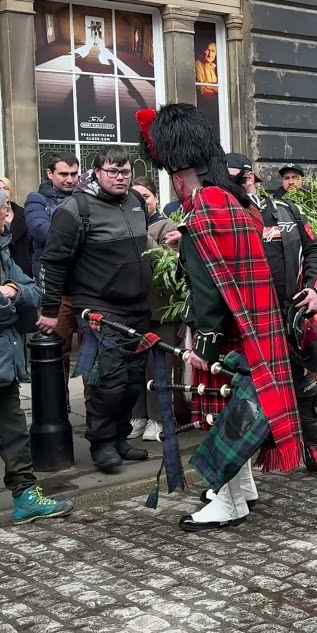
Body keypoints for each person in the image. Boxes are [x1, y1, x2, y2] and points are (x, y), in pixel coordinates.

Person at [139, 103, 303, 531]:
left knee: (224, 416)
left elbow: (209, 287)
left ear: (177, 173)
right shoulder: (226, 200)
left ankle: (228, 503)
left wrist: (203, 346)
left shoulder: (204, 205)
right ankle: (242, 489)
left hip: (226, 332)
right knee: (237, 414)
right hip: (249, 325)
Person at [37, 146, 153, 472]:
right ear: (97, 172)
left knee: (132, 382)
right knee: (107, 381)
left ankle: (119, 439)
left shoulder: (136, 203)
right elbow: (54, 261)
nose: (120, 177)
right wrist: (48, 308)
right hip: (98, 308)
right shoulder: (75, 208)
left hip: (137, 307)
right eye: (112, 171)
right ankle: (102, 444)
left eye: (125, 171)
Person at [227, 153, 317, 475]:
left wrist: (312, 288)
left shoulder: (286, 210)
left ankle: (315, 452)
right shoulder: (225, 217)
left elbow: (315, 250)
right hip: (245, 322)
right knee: (246, 394)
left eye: (241, 176)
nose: (240, 182)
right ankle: (241, 471)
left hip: (290, 317)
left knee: (305, 390)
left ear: (252, 177)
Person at [0, 187, 73, 522]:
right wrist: (11, 303)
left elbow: (32, 288)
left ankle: (25, 496)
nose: (9, 219)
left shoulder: (1, 250)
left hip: (4, 358)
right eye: (4, 213)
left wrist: (11, 291)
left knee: (14, 431)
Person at [129, 175, 179, 441]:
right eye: (134, 198)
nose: (140, 203)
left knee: (158, 365)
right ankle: (138, 416)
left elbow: (168, 263)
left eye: (144, 197)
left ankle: (158, 419)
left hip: (161, 309)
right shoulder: (123, 222)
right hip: (132, 308)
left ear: (155, 198)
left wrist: (139, 232)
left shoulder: (167, 224)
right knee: (135, 365)